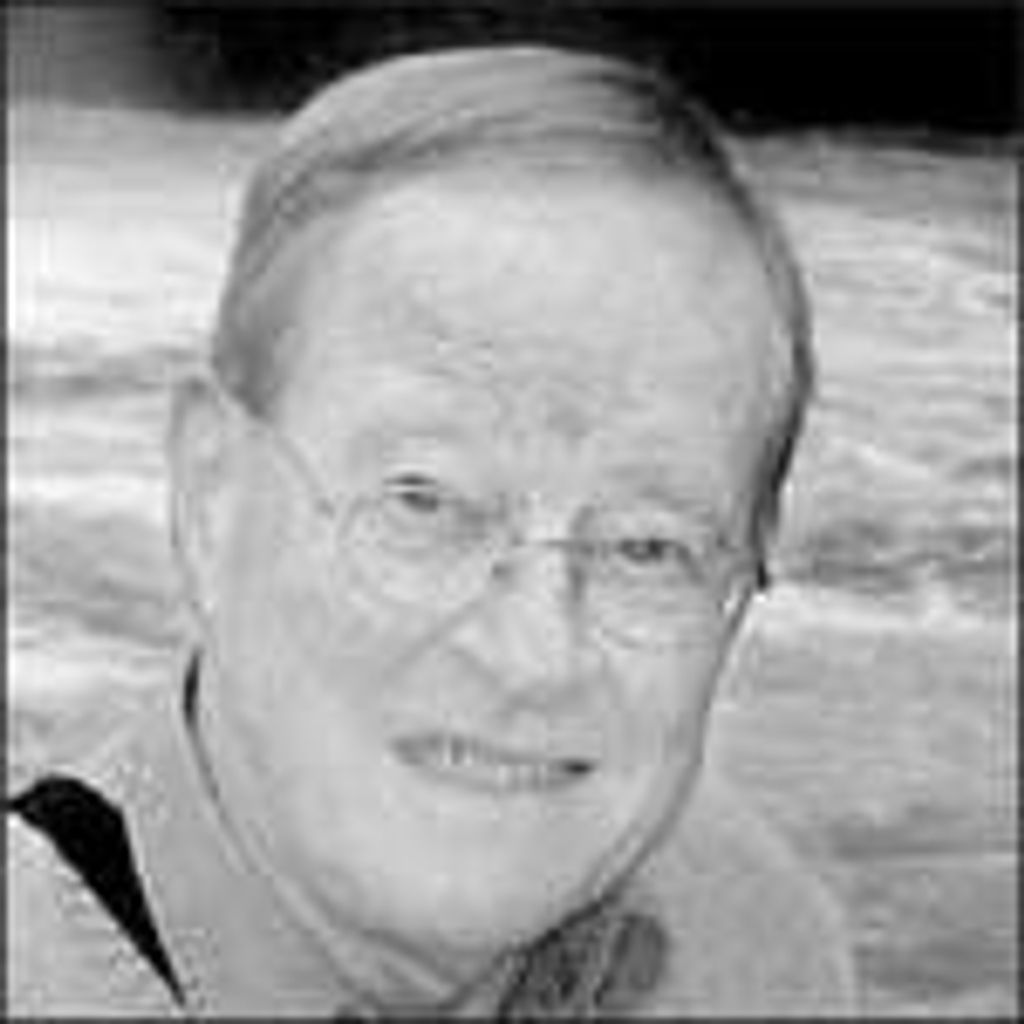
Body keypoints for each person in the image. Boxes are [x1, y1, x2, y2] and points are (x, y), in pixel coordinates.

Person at [8, 44, 857, 1018]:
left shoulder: (750, 943)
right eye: (426, 501)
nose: (533, 658)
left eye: (646, 547)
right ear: (214, 497)